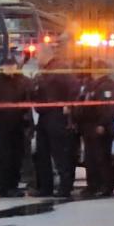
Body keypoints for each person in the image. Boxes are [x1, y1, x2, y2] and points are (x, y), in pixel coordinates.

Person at [32, 46, 78, 199]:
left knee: (60, 154)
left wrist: (69, 105)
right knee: (42, 153)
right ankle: (46, 188)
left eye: (38, 55)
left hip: (57, 116)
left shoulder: (60, 69)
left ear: (46, 55)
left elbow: (74, 88)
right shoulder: (43, 72)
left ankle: (65, 188)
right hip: (44, 116)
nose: (36, 58)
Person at [0, 56, 33, 198]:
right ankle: (5, 187)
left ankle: (14, 186)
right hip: (2, 125)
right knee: (5, 158)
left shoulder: (22, 80)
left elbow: (29, 96)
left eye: (12, 66)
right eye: (7, 66)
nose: (10, 68)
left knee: (17, 157)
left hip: (18, 125)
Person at [73, 59, 114, 198]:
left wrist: (103, 124)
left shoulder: (107, 85)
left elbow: (108, 108)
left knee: (102, 157)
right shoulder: (90, 85)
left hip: (99, 126)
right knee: (90, 158)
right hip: (88, 126)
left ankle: (105, 186)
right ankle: (92, 185)